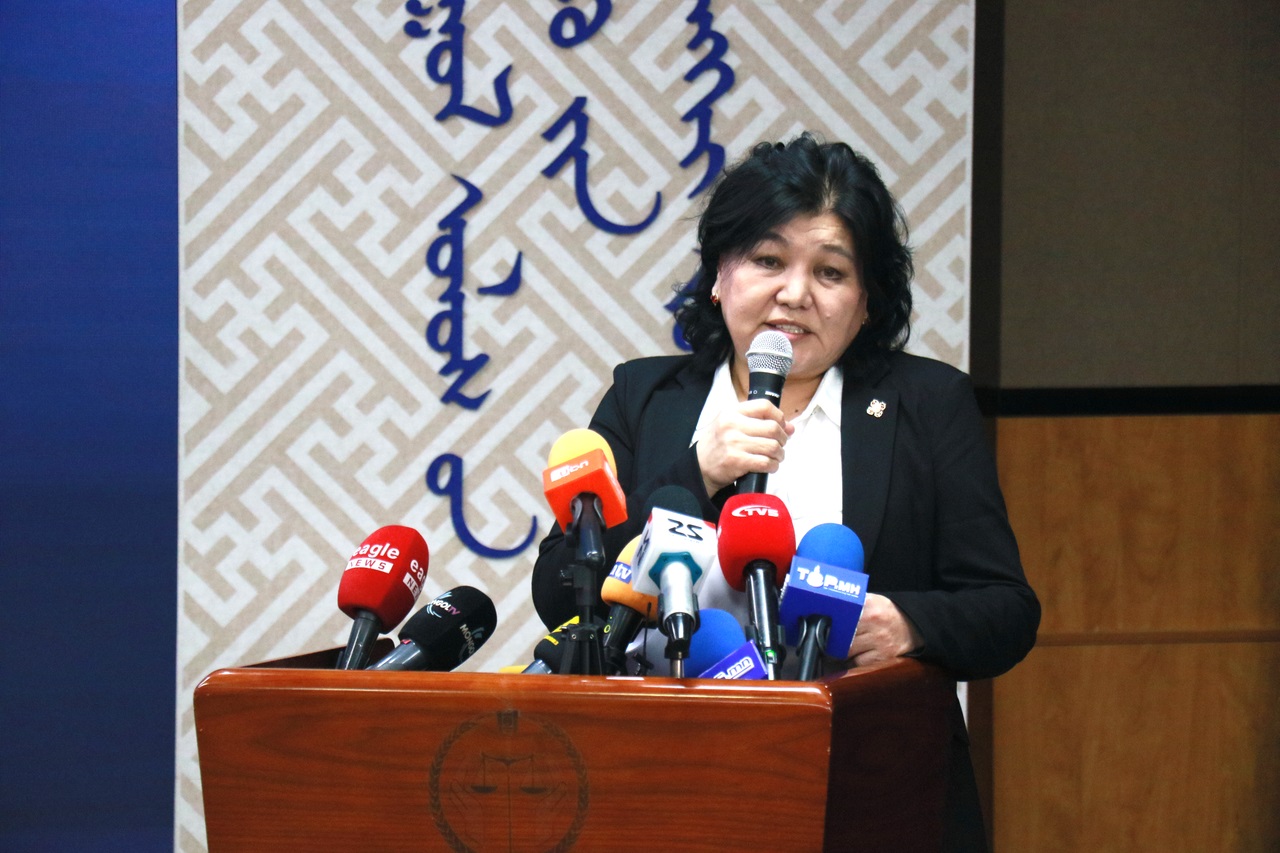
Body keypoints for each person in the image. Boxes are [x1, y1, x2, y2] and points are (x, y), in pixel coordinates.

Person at [530, 132, 1039, 851]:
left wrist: (909, 625)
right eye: (768, 260)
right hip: (663, 785)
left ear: (866, 302)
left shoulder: (928, 405)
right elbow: (560, 590)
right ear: (719, 275)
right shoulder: (644, 398)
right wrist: (697, 471)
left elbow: (1006, 610)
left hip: (870, 790)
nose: (794, 294)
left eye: (830, 272)